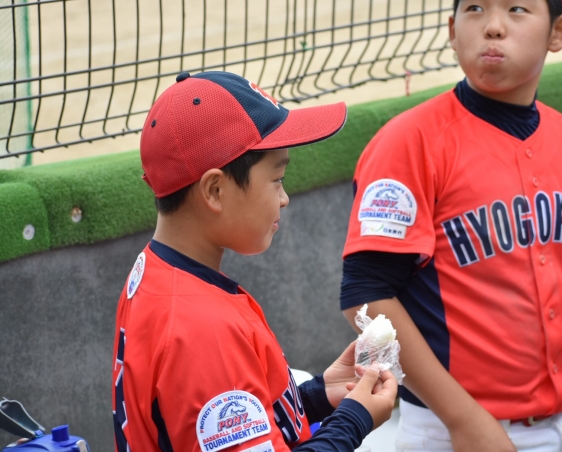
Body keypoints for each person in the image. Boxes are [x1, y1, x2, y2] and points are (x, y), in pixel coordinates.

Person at [339, 0, 562, 451]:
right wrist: (463, 419)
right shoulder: (409, 141)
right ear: (452, 30)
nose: (493, 27)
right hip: (453, 428)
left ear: (558, 31)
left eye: (516, 8)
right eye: (475, 8)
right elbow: (365, 295)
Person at [111, 71, 398, 452]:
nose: (284, 198)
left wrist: (316, 395)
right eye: (277, 178)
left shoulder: (156, 271)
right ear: (215, 190)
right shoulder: (203, 331)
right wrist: (354, 419)